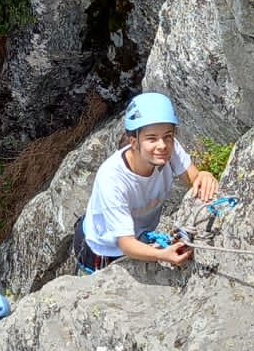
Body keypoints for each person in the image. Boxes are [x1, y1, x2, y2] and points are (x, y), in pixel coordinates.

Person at [73, 92, 221, 273]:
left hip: (136, 234)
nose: (162, 145)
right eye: (151, 138)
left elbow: (194, 178)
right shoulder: (112, 180)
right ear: (134, 142)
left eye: (168, 135)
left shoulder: (169, 148)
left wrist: (204, 175)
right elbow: (126, 244)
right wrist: (163, 255)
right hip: (102, 249)